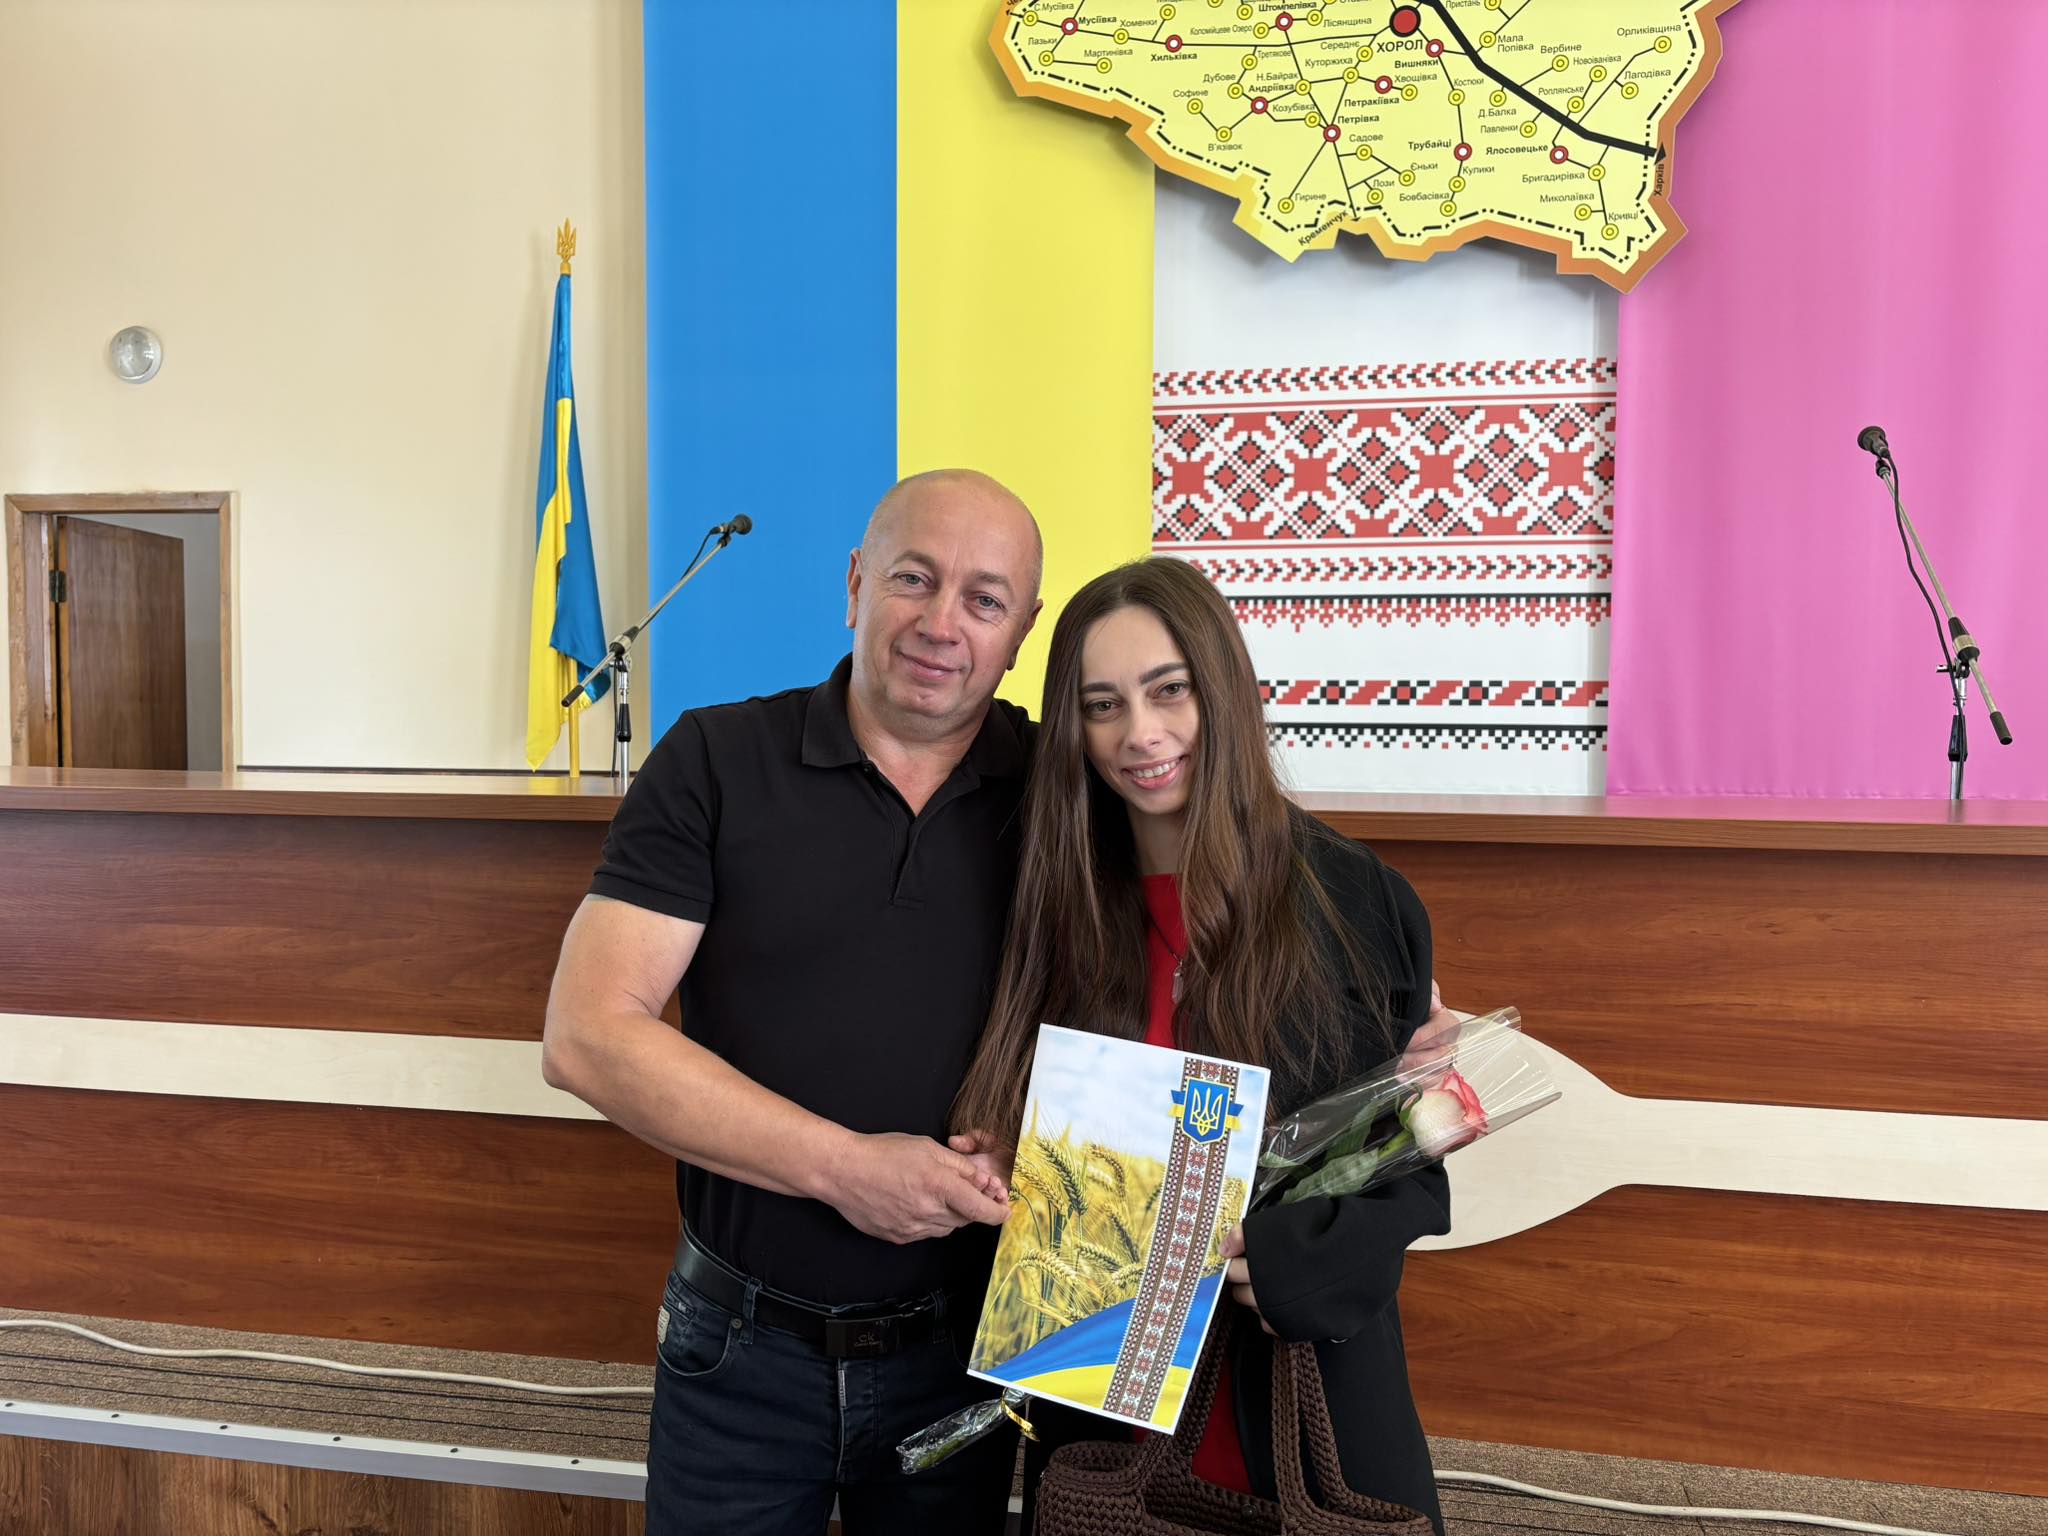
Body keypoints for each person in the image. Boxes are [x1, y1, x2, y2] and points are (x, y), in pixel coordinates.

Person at [540, 468, 1044, 1535]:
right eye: (914, 578)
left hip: (967, 1353)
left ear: (1021, 633)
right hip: (736, 1352)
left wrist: (1386, 986)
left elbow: (1228, 883)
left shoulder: (1063, 796)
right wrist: (845, 1169)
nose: (941, 623)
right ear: (856, 583)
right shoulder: (714, 759)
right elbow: (586, 1035)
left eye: (984, 599)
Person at [951, 556, 1451, 1534]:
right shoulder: (1052, 911)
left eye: (1168, 690)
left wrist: (1297, 1258)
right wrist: (1004, 1160)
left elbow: (1407, 1168)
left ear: (1220, 688)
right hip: (1103, 1412)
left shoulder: (1354, 902)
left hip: (1303, 1417)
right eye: (1101, 705)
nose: (1138, 733)